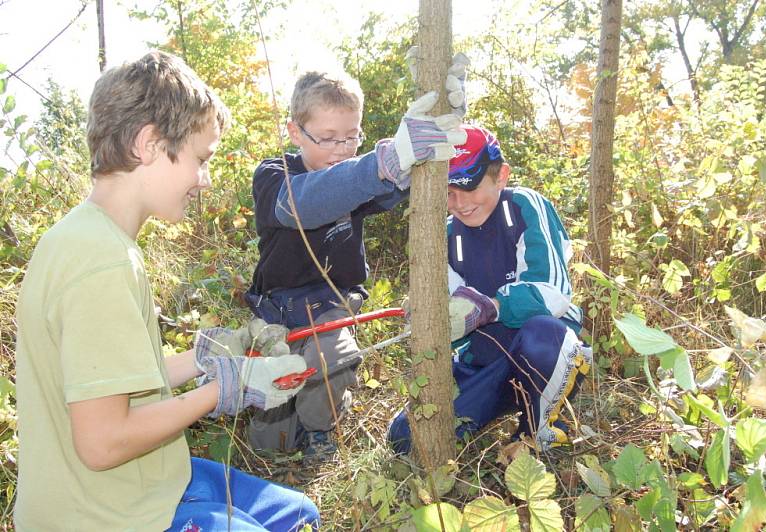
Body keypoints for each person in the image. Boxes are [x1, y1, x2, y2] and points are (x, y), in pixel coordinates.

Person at [13, 51, 319, 531]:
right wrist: (224, 389)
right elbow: (103, 443)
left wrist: (205, 358)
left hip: (139, 484)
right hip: (100, 515)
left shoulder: (88, 237)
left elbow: (107, 386)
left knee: (297, 515)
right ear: (149, 144)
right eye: (200, 159)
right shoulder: (101, 261)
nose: (205, 178)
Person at [245, 65, 468, 464]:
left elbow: (385, 187)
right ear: (295, 133)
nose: (342, 150)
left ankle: (322, 427)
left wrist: (421, 142)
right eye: (328, 138)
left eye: (351, 137)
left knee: (329, 361)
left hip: (332, 305)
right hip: (279, 310)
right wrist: (380, 161)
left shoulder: (352, 176)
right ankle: (292, 417)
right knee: (270, 437)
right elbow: (307, 203)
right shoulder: (274, 175)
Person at [388, 125, 592, 453]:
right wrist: (430, 315)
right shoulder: (446, 234)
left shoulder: (524, 206)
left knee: (545, 336)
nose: (459, 202)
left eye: (469, 186)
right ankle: (495, 406)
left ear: (501, 176)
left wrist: (492, 306)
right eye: (448, 191)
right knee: (404, 439)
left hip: (543, 356)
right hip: (484, 364)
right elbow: (451, 306)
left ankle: (537, 433)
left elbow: (553, 290)